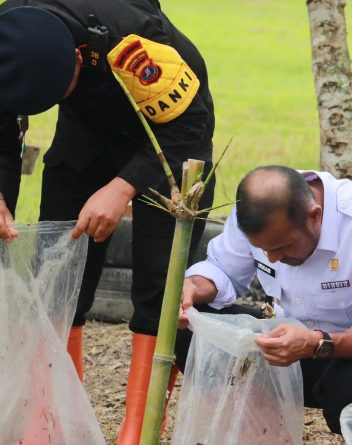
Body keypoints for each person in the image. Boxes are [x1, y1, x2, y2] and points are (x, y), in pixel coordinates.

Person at [0, 2, 215, 443]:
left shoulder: (139, 43)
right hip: (84, 126)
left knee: (158, 283)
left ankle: (137, 427)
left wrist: (122, 187)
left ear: (78, 57)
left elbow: (192, 130)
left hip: (162, 134)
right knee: (56, 266)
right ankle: (54, 414)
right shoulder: (10, 37)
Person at [178, 166, 352, 435]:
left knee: (350, 387)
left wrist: (314, 342)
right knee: (194, 327)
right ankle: (261, 434)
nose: (273, 258)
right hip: (287, 347)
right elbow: (222, 269)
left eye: (282, 247)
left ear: (315, 216)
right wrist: (193, 288)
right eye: (264, 250)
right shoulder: (255, 213)